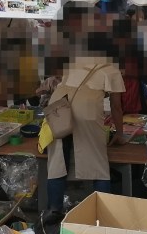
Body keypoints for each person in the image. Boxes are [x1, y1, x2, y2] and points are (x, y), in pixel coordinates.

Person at [41, 37, 128, 223]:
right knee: (98, 164)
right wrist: (120, 134)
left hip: (58, 104)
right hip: (86, 107)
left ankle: (53, 213)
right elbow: (116, 107)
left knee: (57, 162)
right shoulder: (111, 69)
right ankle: (103, 217)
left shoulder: (75, 60)